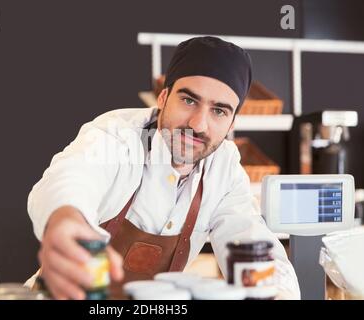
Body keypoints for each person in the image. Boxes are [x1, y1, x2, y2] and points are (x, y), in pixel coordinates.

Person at [27, 36, 301, 299]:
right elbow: (72, 178)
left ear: (232, 124)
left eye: (219, 111)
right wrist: (68, 222)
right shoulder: (118, 136)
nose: (198, 124)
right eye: (189, 100)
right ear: (163, 97)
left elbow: (252, 241)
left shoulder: (224, 168)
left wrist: (277, 293)